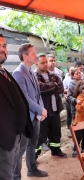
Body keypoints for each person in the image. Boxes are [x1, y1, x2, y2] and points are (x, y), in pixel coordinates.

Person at [0, 34, 33, 180]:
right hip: (3, 139)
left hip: (16, 135)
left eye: (4, 46)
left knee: (12, 171)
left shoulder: (4, 72)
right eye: (0, 46)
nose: (3, 49)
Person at [13, 43, 48, 178]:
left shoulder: (32, 72)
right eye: (33, 54)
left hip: (35, 116)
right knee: (20, 150)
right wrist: (40, 110)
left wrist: (41, 110)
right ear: (25, 56)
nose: (36, 56)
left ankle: (32, 169)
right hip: (25, 118)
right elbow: (25, 98)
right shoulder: (18, 73)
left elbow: (37, 94)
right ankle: (16, 176)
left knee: (32, 144)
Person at [35, 54, 67, 159]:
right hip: (43, 111)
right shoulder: (35, 76)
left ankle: (56, 151)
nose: (45, 64)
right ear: (36, 64)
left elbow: (61, 89)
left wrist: (48, 87)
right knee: (40, 134)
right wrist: (53, 86)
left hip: (55, 110)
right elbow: (40, 89)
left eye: (46, 62)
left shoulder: (54, 75)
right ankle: (34, 156)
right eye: (42, 62)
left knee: (56, 132)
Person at [63, 66, 74, 138]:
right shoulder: (66, 80)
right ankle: (69, 130)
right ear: (68, 71)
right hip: (69, 99)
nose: (72, 71)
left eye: (73, 70)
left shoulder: (78, 78)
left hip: (76, 99)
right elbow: (63, 90)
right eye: (70, 70)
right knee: (69, 115)